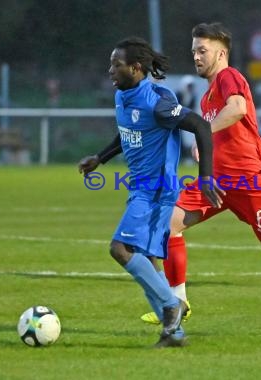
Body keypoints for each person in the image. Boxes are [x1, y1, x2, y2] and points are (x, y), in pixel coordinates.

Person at [109, 23, 261, 325]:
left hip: (251, 180)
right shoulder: (206, 97)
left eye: (203, 51)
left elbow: (238, 108)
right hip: (218, 181)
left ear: (222, 53)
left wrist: (206, 129)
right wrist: (206, 147)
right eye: (194, 52)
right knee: (169, 224)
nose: (197, 57)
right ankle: (178, 303)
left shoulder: (230, 77)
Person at [77, 37, 224, 348]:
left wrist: (206, 178)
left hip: (158, 189)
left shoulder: (157, 101)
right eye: (111, 64)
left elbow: (199, 125)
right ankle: (174, 333)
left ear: (136, 67)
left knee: (120, 250)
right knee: (144, 259)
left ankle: (172, 305)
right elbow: (129, 130)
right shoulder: (123, 95)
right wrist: (100, 158)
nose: (110, 70)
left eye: (117, 65)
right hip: (140, 187)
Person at [176, 75, 198, 164]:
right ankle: (181, 157)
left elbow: (192, 108)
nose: (190, 88)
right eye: (189, 86)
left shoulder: (193, 96)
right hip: (176, 121)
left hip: (186, 120)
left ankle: (188, 157)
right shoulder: (178, 94)